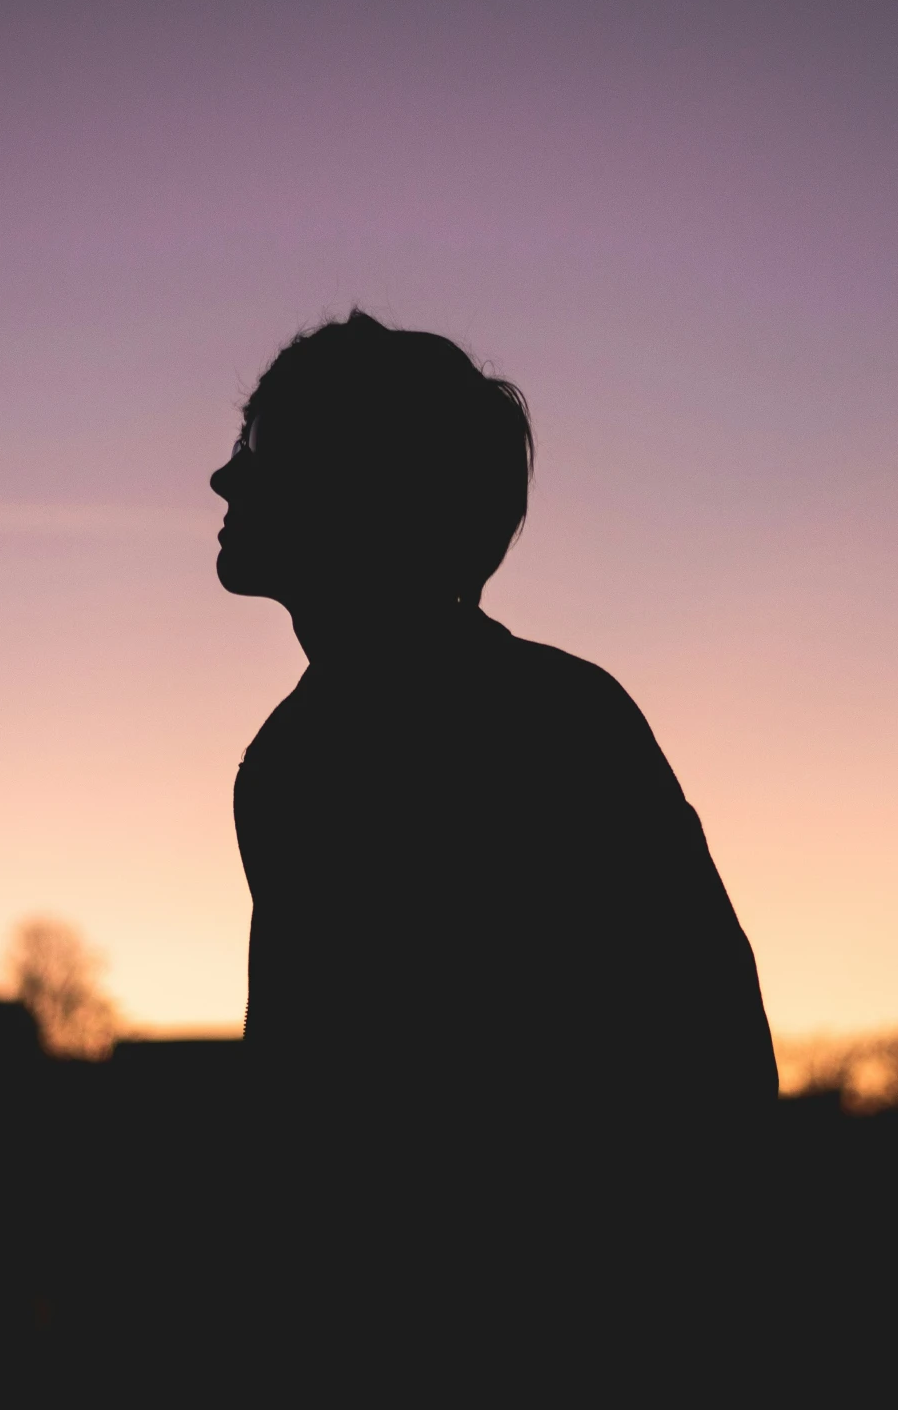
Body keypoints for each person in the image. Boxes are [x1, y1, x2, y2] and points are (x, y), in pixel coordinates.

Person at [209, 311, 775, 1375]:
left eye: (262, 452)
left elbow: (705, 1078)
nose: (222, 482)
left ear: (355, 489)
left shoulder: (543, 725)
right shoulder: (300, 754)